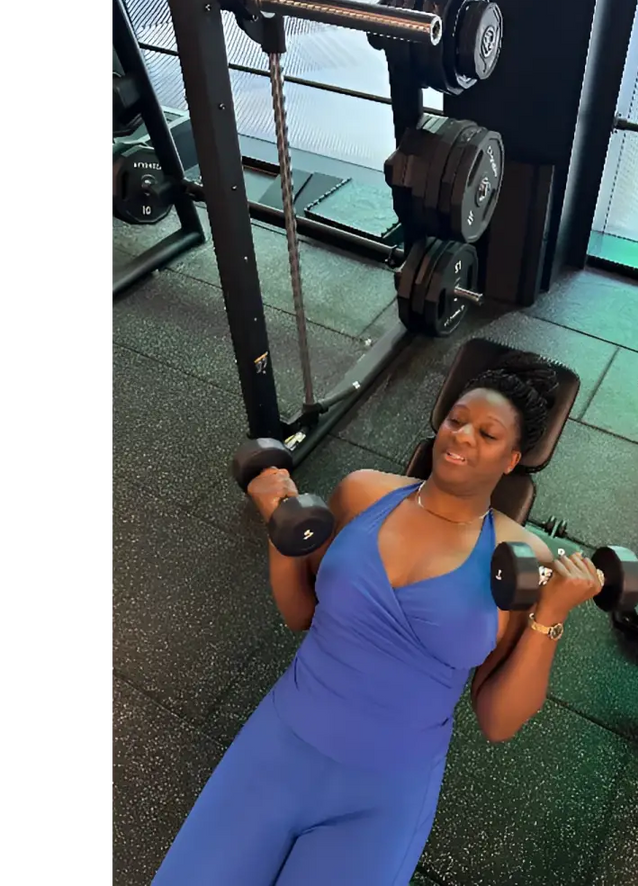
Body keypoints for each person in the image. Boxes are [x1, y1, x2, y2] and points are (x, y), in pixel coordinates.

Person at [152, 350, 605, 886]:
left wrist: (549, 617)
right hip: (279, 741)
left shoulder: (524, 559)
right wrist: (280, 526)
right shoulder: (363, 491)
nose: (461, 437)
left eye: (487, 434)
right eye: (457, 421)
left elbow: (498, 721)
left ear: (512, 459)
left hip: (385, 791)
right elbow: (302, 614)